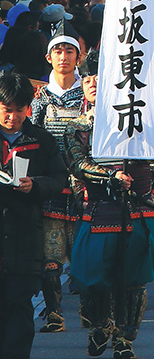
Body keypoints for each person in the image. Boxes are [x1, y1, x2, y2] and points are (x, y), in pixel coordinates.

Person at [67, 74, 154, 359]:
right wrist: (111, 176)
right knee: (90, 276)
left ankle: (124, 338)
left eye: (101, 78)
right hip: (98, 210)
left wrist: (149, 157)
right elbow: (77, 164)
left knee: (133, 279)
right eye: (89, 79)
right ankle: (99, 325)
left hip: (138, 208)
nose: (95, 85)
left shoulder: (143, 121)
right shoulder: (78, 127)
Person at [0, 72, 66, 359]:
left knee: (19, 306)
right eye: (6, 109)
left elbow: (59, 177)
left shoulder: (41, 139)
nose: (12, 116)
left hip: (24, 235)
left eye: (18, 110)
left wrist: (35, 185)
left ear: (28, 108)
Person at [29, 25, 87, 333]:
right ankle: (54, 313)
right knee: (50, 251)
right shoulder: (40, 98)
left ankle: (93, 309)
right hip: (51, 181)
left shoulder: (89, 95)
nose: (63, 57)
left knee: (85, 247)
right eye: (58, 52)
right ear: (48, 57)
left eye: (69, 51)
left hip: (85, 183)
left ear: (79, 56)